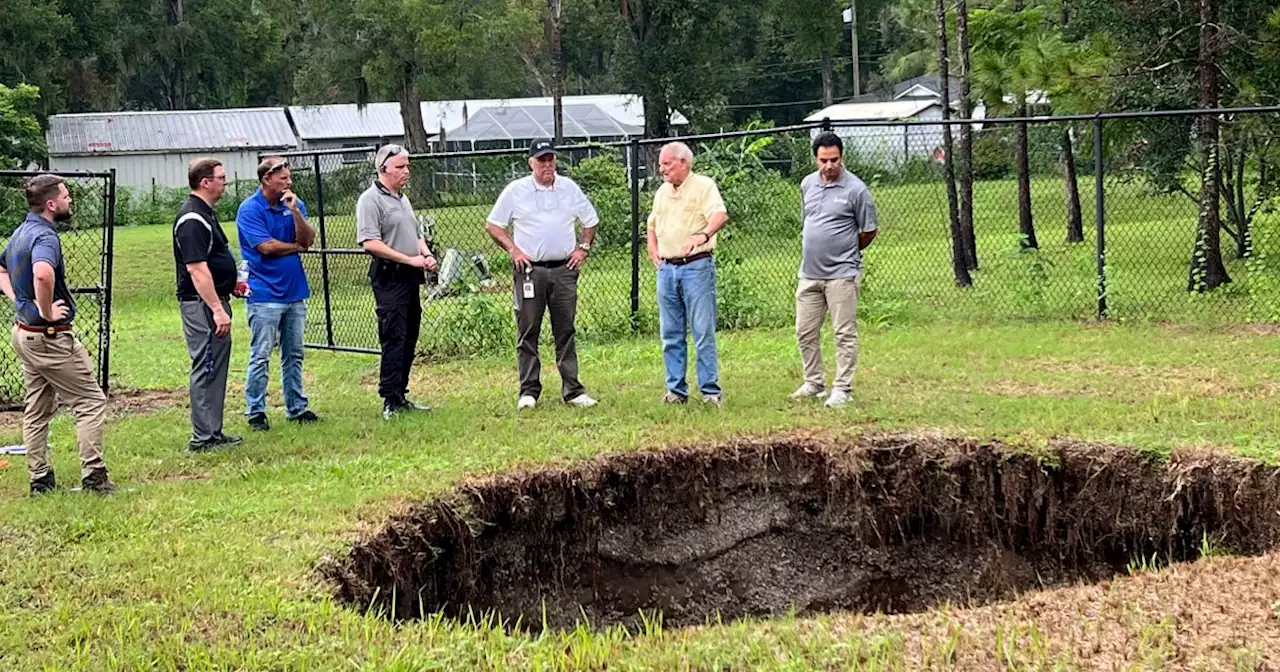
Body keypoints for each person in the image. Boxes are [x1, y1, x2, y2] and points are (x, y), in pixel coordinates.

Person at [0, 175, 115, 495]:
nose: (69, 201)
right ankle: (94, 476)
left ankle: (40, 479)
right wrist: (47, 309)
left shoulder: (20, 232)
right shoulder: (45, 237)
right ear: (51, 204)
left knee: (36, 410)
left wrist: (20, 301)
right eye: (66, 196)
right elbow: (42, 272)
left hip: (25, 334)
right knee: (90, 401)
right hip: (50, 337)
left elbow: (1, 269)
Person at [485, 139, 600, 410]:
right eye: (541, 160)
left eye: (550, 159)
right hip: (530, 271)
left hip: (563, 269)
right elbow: (493, 225)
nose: (547, 165)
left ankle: (572, 389)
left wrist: (582, 248)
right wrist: (514, 250)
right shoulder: (516, 191)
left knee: (566, 329)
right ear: (531, 163)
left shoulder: (569, 188)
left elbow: (590, 220)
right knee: (528, 330)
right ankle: (529, 390)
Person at [790, 132, 878, 408]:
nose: (829, 166)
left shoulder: (856, 190)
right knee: (805, 331)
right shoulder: (807, 185)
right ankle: (814, 382)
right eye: (823, 160)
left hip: (842, 274)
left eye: (834, 160)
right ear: (815, 159)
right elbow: (809, 221)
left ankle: (842, 388)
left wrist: (847, 253)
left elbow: (869, 230)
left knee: (843, 333)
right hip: (809, 274)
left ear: (842, 157)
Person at [236, 157, 320, 431]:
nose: (289, 182)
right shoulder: (250, 210)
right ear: (266, 179)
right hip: (264, 293)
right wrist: (295, 247)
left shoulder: (294, 204)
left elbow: (308, 240)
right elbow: (266, 247)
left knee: (294, 353)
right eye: (283, 178)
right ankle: (255, 410)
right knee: (261, 354)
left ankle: (296, 407)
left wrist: (295, 213)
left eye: (289, 177)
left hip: (294, 291)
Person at [355, 144, 438, 419]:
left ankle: (401, 393)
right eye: (400, 167)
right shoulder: (370, 200)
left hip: (411, 275)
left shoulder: (402, 198)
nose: (406, 171)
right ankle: (389, 398)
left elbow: (415, 233)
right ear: (383, 170)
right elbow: (370, 243)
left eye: (407, 166)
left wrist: (425, 254)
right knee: (393, 335)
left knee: (410, 335)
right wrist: (408, 259)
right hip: (390, 275)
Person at [646, 141, 729, 406]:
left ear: (683, 162)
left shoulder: (703, 186)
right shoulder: (662, 192)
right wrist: (652, 247)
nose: (662, 170)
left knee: (702, 330)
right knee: (670, 333)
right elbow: (652, 223)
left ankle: (710, 391)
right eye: (661, 165)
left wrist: (702, 235)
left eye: (667, 164)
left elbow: (720, 214)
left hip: (696, 266)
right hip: (667, 269)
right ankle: (675, 391)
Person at [174, 158, 243, 452]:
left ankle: (214, 431)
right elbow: (196, 269)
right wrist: (216, 309)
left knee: (216, 365)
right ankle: (203, 437)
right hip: (201, 306)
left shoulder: (205, 214)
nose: (225, 182)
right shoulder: (192, 219)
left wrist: (231, 283)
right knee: (207, 364)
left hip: (214, 301)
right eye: (221, 178)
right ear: (205, 182)